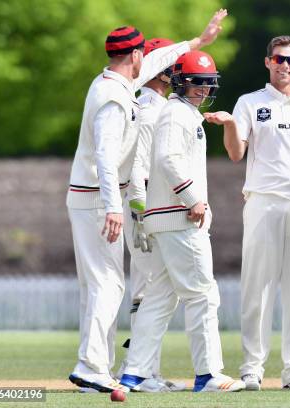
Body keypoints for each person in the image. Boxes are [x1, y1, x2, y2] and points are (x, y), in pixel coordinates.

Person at [66, 9, 228, 393]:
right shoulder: (112, 97)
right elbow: (105, 158)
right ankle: (91, 367)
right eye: (144, 54)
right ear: (135, 56)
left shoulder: (118, 81)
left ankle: (103, 370)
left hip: (99, 197)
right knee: (106, 284)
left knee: (108, 285)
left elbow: (158, 59)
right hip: (95, 199)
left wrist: (196, 43)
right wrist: (114, 207)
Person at [204, 35, 290, 390]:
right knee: (257, 285)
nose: (285, 65)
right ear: (268, 62)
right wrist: (231, 126)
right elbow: (236, 154)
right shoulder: (250, 103)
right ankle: (252, 368)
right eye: (279, 59)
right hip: (263, 200)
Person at [119, 50, 245, 393]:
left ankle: (134, 373)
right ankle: (208, 375)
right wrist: (193, 199)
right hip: (179, 218)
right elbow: (168, 159)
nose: (202, 91)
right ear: (178, 82)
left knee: (160, 296)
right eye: (195, 84)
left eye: (206, 84)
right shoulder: (176, 114)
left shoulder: (184, 114)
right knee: (203, 294)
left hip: (165, 218)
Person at [117, 37, 184, 392]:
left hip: (151, 203)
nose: (179, 72)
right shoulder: (148, 108)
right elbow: (140, 165)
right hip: (142, 203)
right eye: (174, 66)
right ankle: (138, 371)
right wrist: (141, 211)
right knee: (148, 287)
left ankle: (144, 369)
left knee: (153, 287)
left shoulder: (162, 106)